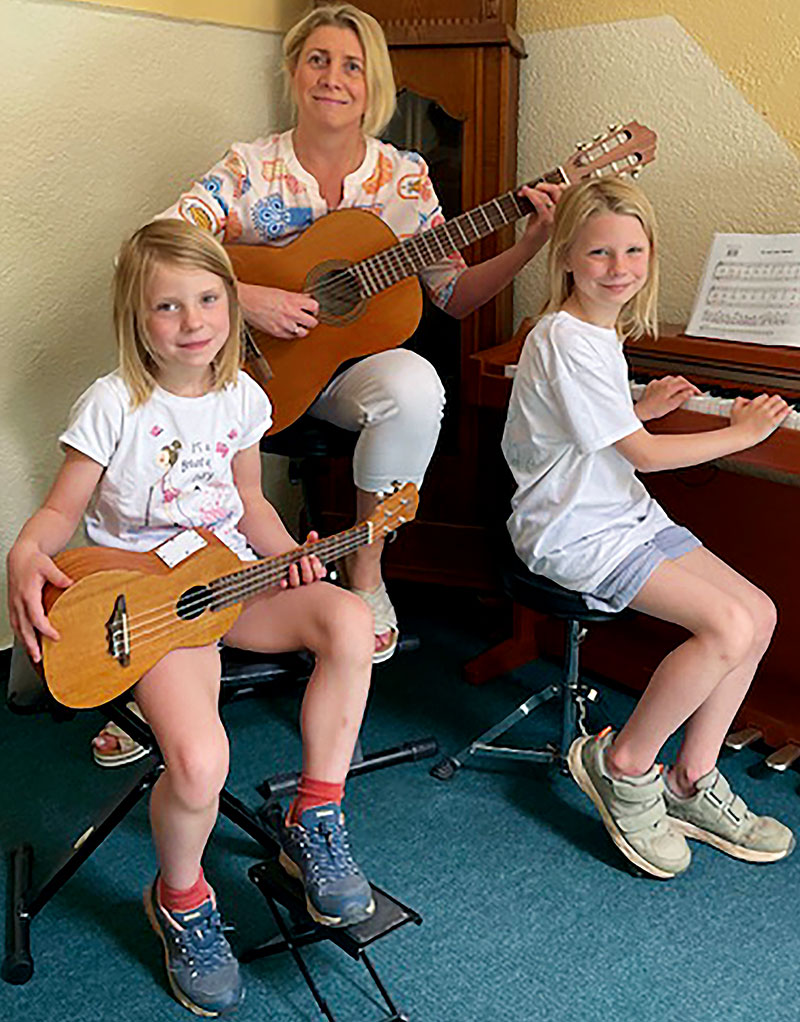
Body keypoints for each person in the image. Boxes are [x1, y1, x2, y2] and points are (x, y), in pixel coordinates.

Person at [6, 220, 377, 1016]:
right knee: (202, 762)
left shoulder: (242, 395)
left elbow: (248, 503)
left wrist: (291, 555)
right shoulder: (113, 404)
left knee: (350, 621)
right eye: (167, 306)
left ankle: (315, 815)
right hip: (151, 611)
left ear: (232, 304)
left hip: (232, 581)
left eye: (208, 299)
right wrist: (25, 552)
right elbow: (59, 512)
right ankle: (180, 898)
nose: (193, 321)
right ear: (136, 319)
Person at [153, 1, 562, 667]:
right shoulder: (249, 167)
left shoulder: (403, 178)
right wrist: (246, 297)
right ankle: (202, 608)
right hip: (239, 374)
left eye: (352, 66)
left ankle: (364, 572)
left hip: (343, 377)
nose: (333, 78)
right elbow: (158, 245)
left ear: (374, 86)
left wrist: (529, 244)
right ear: (294, 71)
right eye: (318, 60)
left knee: (416, 383)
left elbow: (453, 295)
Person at [501, 175, 795, 880]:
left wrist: (638, 410)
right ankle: (625, 764)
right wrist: (742, 432)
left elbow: (584, 430)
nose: (619, 268)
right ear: (566, 257)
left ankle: (689, 780)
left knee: (759, 612)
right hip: (573, 530)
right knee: (724, 627)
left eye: (633, 251)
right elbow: (644, 457)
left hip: (619, 512)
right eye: (599, 253)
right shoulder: (563, 336)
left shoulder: (597, 331)